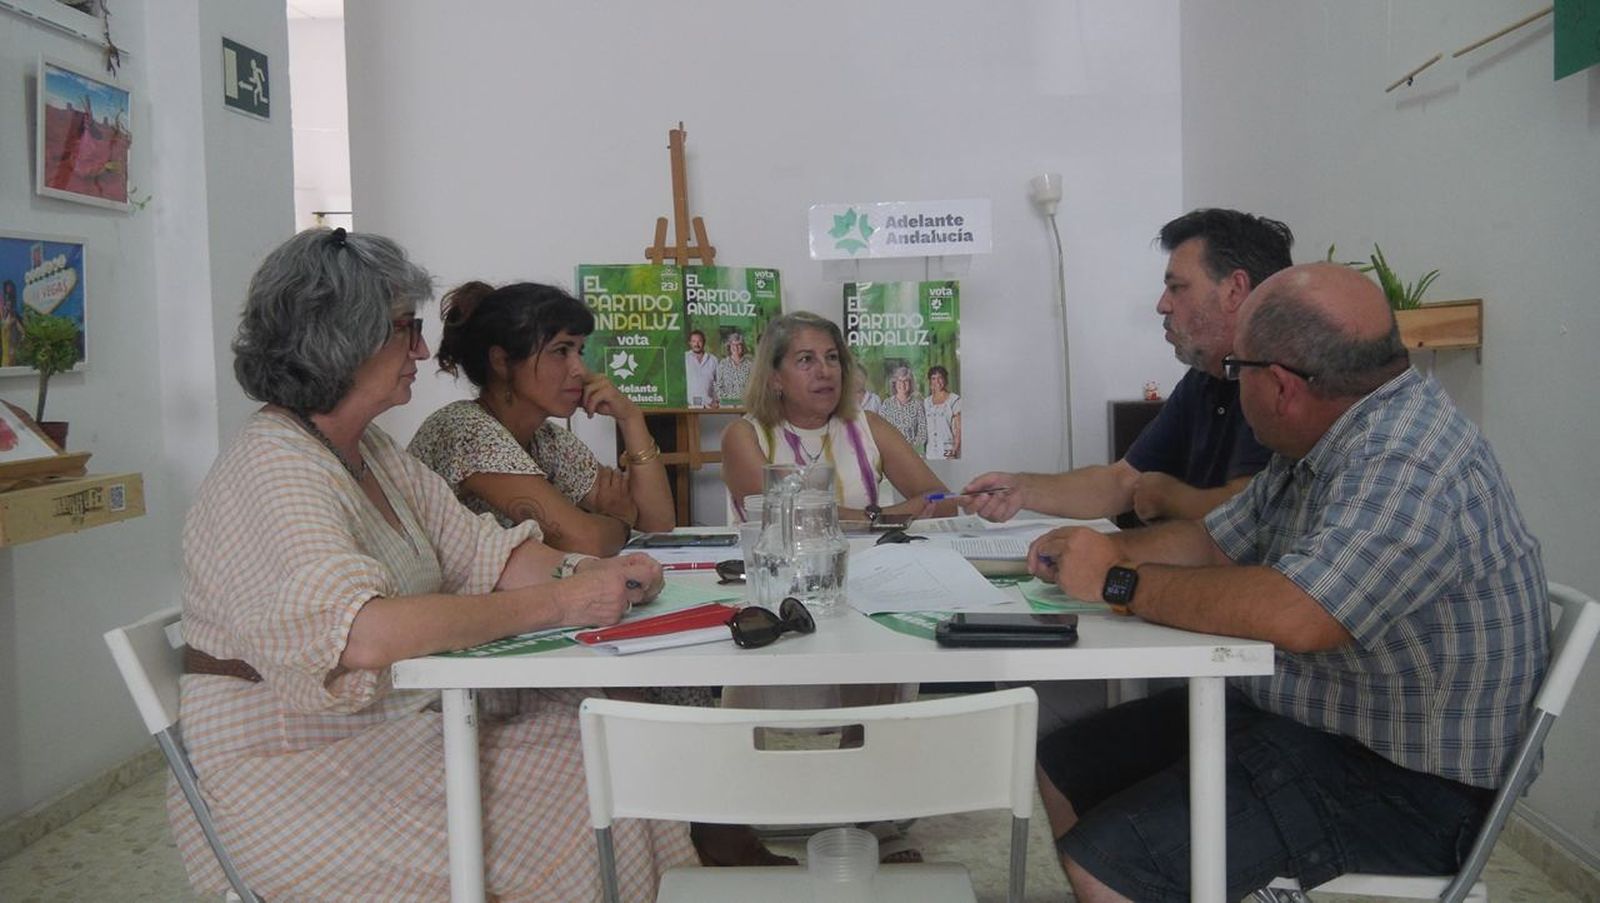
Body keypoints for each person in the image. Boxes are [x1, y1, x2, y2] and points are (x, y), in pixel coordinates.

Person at [174, 228, 692, 900]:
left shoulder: (372, 452)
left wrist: (588, 577)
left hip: (382, 731)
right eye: (403, 328)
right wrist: (564, 600)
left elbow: (490, 553)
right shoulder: (273, 464)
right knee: (598, 767)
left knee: (611, 733)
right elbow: (363, 634)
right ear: (343, 334)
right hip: (297, 765)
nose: (421, 347)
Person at [1029, 262, 1549, 902]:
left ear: (1279, 385)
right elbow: (1214, 541)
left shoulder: (1410, 460)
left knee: (1109, 863)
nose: (1229, 384)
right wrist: (1101, 551)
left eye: (1235, 370)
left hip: (1406, 787)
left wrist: (1118, 583)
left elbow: (1299, 614)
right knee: (1065, 764)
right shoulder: (1325, 436)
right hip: (1314, 725)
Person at [964, 208, 1291, 525]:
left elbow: (1249, 513)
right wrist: (1021, 489)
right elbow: (1122, 481)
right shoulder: (1204, 379)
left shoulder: (1280, 379)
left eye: (1177, 287)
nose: (1162, 304)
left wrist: (1169, 497)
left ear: (1234, 290)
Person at [409, 280, 674, 556]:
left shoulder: (547, 440)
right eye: (561, 351)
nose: (580, 370)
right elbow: (586, 540)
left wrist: (630, 418)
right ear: (502, 361)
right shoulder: (465, 430)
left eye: (579, 351)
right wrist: (620, 521)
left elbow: (658, 523)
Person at [720, 311, 957, 526]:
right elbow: (793, 517)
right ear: (774, 378)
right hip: (779, 571)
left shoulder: (868, 426)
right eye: (806, 360)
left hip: (868, 566)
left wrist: (874, 518)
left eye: (832, 358)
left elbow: (944, 503)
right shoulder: (744, 435)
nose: (825, 371)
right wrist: (880, 517)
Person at [879, 364, 925, 453]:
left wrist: (913, 448)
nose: (902, 384)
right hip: (891, 452)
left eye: (906, 381)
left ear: (911, 383)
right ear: (895, 383)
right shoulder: (887, 404)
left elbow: (922, 432)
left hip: (912, 452)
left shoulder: (917, 404)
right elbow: (881, 429)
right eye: (899, 380)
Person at [922, 364, 960, 460]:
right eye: (933, 378)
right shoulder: (926, 402)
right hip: (930, 452)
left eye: (940, 378)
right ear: (930, 382)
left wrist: (954, 451)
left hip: (947, 451)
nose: (937, 381)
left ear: (945, 380)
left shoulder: (954, 400)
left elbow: (959, 430)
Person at [712, 330, 752, 404]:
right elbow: (718, 386)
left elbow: (753, 386)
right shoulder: (722, 364)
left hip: (745, 405)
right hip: (727, 406)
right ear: (729, 346)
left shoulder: (750, 365)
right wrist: (727, 400)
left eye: (739, 344)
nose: (736, 347)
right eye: (733, 345)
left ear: (743, 346)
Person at [684, 328, 718, 407]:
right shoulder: (684, 358)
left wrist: (716, 400)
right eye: (694, 341)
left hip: (709, 406)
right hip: (689, 406)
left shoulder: (713, 360)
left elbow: (719, 383)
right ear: (690, 343)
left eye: (699, 341)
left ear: (704, 342)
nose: (697, 344)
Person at [0, 280, 22, 367]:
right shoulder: (4, 300)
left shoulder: (13, 314)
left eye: (10, 287)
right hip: (5, 328)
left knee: (10, 351)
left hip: (10, 329)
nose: (8, 288)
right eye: (7, 287)